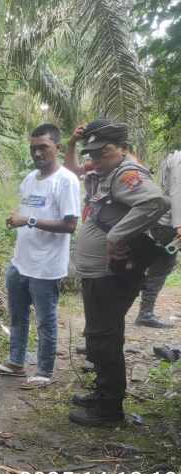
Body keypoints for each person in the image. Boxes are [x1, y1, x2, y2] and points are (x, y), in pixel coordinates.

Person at [70, 121, 170, 427]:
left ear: (123, 149)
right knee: (99, 336)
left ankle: (108, 410)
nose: (97, 158)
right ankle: (102, 393)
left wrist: (116, 236)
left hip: (111, 275)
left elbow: (155, 201)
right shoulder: (107, 173)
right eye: (92, 153)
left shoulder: (127, 173)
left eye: (104, 152)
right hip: (99, 274)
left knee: (105, 338)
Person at [0, 124, 80, 388]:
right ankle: (15, 362)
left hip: (46, 266)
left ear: (57, 148)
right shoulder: (29, 179)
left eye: (43, 147)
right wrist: (18, 218)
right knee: (17, 316)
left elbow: (70, 225)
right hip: (21, 261)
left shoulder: (66, 181)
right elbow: (28, 213)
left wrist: (28, 220)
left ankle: (44, 371)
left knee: (45, 321)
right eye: (33, 148)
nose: (37, 153)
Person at [132, 150, 181, 328]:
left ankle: (145, 312)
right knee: (161, 265)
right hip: (169, 224)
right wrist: (179, 224)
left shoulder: (172, 156)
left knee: (161, 265)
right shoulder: (178, 159)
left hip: (163, 222)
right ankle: (145, 313)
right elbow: (176, 191)